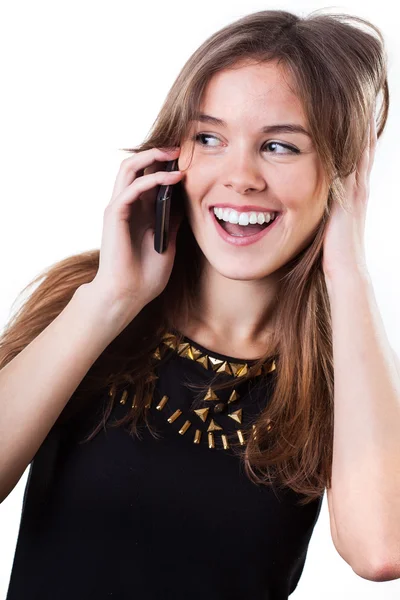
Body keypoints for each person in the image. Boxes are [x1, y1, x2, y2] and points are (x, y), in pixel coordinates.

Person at [0, 8, 391, 599]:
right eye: (210, 138)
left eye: (280, 147)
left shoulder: (347, 374)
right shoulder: (89, 300)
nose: (240, 176)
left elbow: (382, 549)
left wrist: (351, 270)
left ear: (339, 177)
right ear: (173, 154)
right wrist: (111, 298)